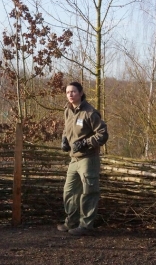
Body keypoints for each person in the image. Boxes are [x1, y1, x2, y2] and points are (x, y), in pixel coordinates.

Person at [57, 81, 109, 236]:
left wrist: (86, 142)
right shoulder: (67, 110)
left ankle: (86, 225)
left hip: (88, 158)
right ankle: (71, 222)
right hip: (74, 158)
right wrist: (64, 140)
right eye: (67, 92)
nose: (70, 95)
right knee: (69, 191)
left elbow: (102, 134)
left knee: (88, 191)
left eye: (73, 92)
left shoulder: (90, 112)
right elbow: (67, 129)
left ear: (80, 93)